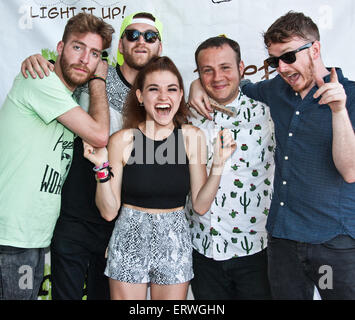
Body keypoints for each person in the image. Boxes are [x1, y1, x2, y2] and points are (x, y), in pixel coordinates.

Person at [189, 11, 355, 300]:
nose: (282, 68)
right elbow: (229, 85)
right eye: (274, 61)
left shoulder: (350, 96)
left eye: (289, 57)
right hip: (282, 242)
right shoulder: (275, 91)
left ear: (315, 49)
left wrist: (339, 111)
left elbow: (350, 170)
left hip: (332, 243)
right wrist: (195, 85)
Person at [20, 12, 163, 299]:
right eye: (132, 35)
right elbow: (61, 73)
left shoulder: (162, 93)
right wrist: (38, 61)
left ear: (160, 47)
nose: (141, 42)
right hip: (73, 215)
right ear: (120, 46)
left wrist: (198, 87)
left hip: (121, 221)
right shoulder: (94, 72)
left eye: (150, 36)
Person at [83, 56, 236, 300]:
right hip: (128, 237)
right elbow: (109, 212)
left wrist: (218, 164)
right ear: (141, 97)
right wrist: (101, 168)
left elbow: (200, 205)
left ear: (180, 95)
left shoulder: (191, 137)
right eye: (154, 89)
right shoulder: (122, 140)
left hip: (175, 241)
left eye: (172, 89)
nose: (164, 97)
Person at [0, 12, 114, 300]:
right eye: (78, 47)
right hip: (11, 239)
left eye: (94, 53)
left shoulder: (68, 98)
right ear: (61, 48)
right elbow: (100, 134)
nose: (84, 59)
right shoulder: (40, 81)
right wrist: (99, 80)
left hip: (32, 238)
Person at [185, 36, 274, 300]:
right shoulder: (187, 113)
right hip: (203, 248)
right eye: (207, 70)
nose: (217, 77)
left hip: (256, 251)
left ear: (241, 68)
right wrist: (193, 87)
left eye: (225, 67)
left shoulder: (268, 111)